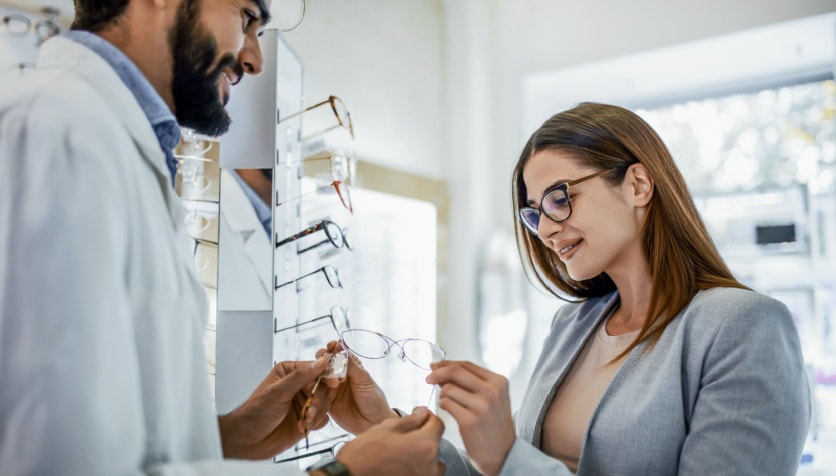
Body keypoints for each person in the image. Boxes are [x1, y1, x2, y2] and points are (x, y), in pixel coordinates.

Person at [0, 0, 445, 475]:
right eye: (247, 18)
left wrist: (226, 436)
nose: (254, 58)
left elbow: (110, 434)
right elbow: (49, 463)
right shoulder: (54, 131)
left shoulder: (114, 147)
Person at [323, 102, 812, 475]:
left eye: (561, 198)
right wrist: (383, 426)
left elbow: (516, 466)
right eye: (534, 213)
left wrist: (510, 455)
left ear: (638, 185)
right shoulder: (574, 324)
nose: (546, 230)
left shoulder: (742, 326)